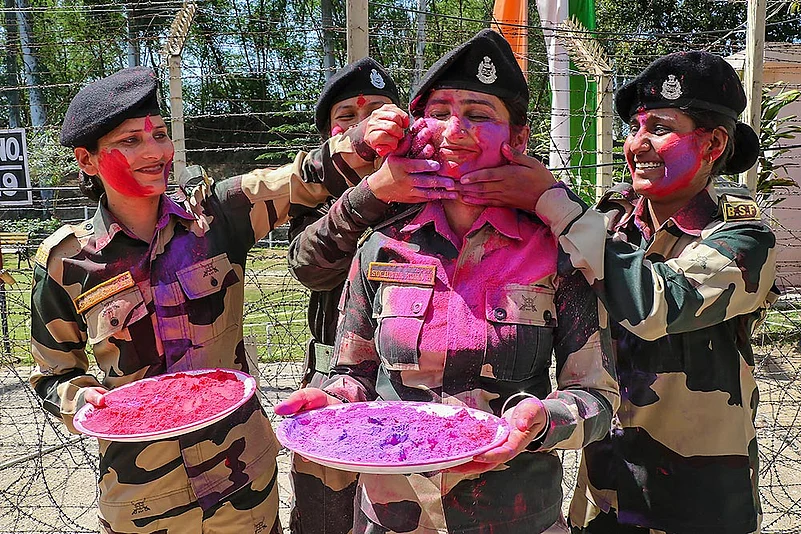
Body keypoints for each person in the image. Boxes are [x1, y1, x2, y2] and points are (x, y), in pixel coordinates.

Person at [277, 29, 620, 534]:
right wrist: (332, 401)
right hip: (394, 514)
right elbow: (354, 374)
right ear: (417, 130)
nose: (455, 131)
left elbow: (597, 398)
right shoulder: (383, 246)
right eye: (438, 113)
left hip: (512, 514)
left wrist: (542, 421)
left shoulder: (557, 251)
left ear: (519, 139)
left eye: (479, 115)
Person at [28, 66, 371, 533]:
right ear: (87, 160)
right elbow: (54, 374)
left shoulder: (217, 217)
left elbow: (300, 178)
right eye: (130, 141)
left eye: (160, 135)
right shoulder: (67, 263)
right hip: (146, 493)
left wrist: (365, 139)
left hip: (241, 476)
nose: (155, 152)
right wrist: (83, 398)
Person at [458, 51, 779, 533]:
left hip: (698, 496)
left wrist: (549, 200)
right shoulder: (609, 221)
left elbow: (657, 303)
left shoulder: (743, 237)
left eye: (660, 129)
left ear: (713, 143)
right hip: (605, 487)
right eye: (634, 128)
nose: (637, 144)